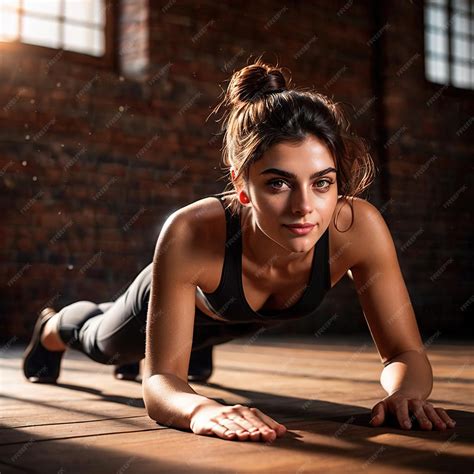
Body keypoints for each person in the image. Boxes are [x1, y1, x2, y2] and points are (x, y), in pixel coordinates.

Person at [22, 58, 456, 443]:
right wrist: (201, 409)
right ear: (240, 185)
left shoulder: (358, 228)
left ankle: (192, 346)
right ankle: (53, 325)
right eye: (278, 183)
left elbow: (405, 354)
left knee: (192, 367)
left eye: (322, 182)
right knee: (105, 344)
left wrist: (406, 393)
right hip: (173, 301)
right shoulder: (190, 232)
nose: (305, 207)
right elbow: (159, 383)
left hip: (231, 319)